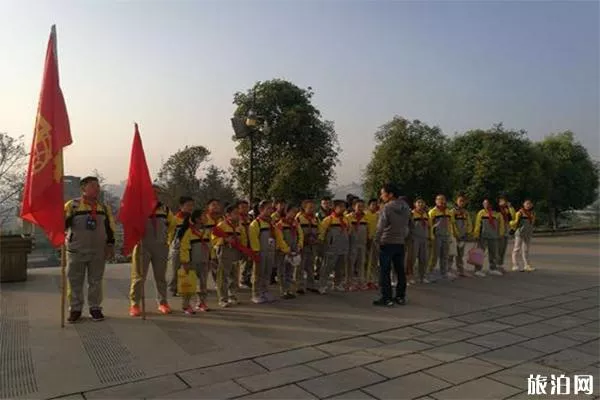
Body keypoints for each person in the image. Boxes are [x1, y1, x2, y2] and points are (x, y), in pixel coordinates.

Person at [64, 176, 116, 322]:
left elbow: (110, 228)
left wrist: (110, 245)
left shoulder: (103, 208)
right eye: (93, 186)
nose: (97, 188)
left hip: (98, 251)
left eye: (98, 186)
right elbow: (62, 225)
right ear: (83, 189)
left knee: (96, 281)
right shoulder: (72, 205)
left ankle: (95, 308)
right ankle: (75, 309)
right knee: (75, 281)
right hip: (76, 250)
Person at [129, 184, 174, 317]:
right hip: (142, 245)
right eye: (153, 192)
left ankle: (163, 302)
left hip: (160, 246)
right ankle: (135, 304)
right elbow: (130, 224)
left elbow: (172, 224)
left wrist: (165, 238)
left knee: (160, 276)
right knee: (139, 277)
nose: (156, 195)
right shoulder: (139, 209)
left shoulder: (165, 209)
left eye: (158, 193)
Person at [373, 183, 411, 307]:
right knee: (400, 270)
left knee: (385, 271)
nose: (381, 196)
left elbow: (381, 226)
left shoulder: (387, 208)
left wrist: (376, 239)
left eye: (383, 193)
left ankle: (386, 298)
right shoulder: (406, 206)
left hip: (387, 242)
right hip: (400, 242)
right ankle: (400, 296)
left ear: (390, 194)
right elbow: (408, 224)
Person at [213, 205, 248, 307]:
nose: (238, 215)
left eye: (238, 213)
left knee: (234, 275)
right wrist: (224, 240)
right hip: (225, 250)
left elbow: (244, 238)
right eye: (235, 213)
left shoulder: (239, 226)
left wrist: (244, 250)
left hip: (236, 251)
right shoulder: (221, 225)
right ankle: (222, 298)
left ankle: (232, 295)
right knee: (223, 275)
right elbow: (213, 239)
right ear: (228, 215)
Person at [179, 209, 210, 312]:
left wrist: (212, 257)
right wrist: (185, 261)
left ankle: (202, 303)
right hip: (192, 262)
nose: (206, 218)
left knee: (203, 283)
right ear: (197, 219)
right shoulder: (189, 232)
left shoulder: (206, 232)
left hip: (204, 261)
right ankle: (186, 305)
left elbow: (210, 246)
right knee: (189, 285)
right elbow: (184, 247)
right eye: (203, 216)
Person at [319, 200, 351, 293]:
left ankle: (337, 284)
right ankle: (322, 285)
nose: (343, 209)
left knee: (340, 267)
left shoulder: (346, 219)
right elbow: (321, 232)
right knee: (327, 266)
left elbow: (349, 230)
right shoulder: (328, 219)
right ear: (335, 208)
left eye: (344, 207)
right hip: (331, 247)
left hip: (343, 247)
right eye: (340, 207)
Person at [249, 200, 277, 304]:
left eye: (271, 208)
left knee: (267, 272)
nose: (270, 210)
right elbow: (253, 238)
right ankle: (256, 293)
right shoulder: (256, 223)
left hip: (270, 251)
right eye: (268, 208)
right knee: (258, 273)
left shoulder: (270, 222)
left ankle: (265, 291)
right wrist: (256, 251)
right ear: (261, 209)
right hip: (260, 252)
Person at [167, 196, 195, 297]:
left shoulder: (193, 219)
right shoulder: (175, 219)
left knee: (188, 269)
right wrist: (170, 246)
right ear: (181, 206)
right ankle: (173, 288)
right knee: (175, 269)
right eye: (188, 205)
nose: (190, 208)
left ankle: (185, 288)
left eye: (192, 205)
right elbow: (170, 233)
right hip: (177, 247)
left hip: (189, 247)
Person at [275, 205, 304, 299]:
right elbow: (279, 238)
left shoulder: (295, 223)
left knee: (290, 270)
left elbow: (300, 234)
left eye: (295, 212)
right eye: (292, 212)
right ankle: (283, 290)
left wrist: (299, 245)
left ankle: (289, 289)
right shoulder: (280, 224)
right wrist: (286, 249)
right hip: (283, 251)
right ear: (286, 212)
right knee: (282, 271)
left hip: (294, 250)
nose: (294, 214)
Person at [473, 198, 505, 277]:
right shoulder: (481, 213)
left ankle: (492, 268)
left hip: (494, 236)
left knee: (493, 253)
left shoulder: (497, 214)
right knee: (479, 253)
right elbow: (477, 224)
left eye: (486, 203)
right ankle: (478, 269)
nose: (485, 205)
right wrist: (476, 234)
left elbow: (501, 225)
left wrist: (501, 234)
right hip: (483, 236)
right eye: (484, 203)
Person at [428, 194, 456, 280]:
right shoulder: (432, 212)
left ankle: (443, 272)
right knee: (434, 255)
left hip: (446, 235)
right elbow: (429, 225)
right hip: (437, 236)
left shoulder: (449, 212)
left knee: (445, 255)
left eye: (443, 199)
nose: (442, 201)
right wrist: (431, 236)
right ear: (436, 201)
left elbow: (452, 223)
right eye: (439, 200)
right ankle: (430, 272)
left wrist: (452, 235)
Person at [295, 200, 319, 294]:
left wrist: (317, 239)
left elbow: (319, 230)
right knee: (300, 266)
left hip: (312, 245)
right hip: (303, 245)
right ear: (304, 208)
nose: (312, 209)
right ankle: (299, 285)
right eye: (310, 207)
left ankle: (310, 285)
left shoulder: (315, 219)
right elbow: (296, 231)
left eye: (313, 207)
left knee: (310, 266)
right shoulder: (299, 218)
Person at [409, 197, 433, 284]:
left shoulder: (426, 214)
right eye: (418, 202)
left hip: (424, 238)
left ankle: (423, 276)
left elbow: (430, 227)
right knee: (412, 259)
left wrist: (430, 237)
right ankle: (410, 277)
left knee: (424, 258)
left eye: (422, 203)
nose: (420, 204)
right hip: (414, 239)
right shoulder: (411, 214)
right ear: (415, 204)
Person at [347, 199, 368, 290]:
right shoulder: (348, 217)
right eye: (358, 206)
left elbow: (369, 230)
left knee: (361, 263)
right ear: (353, 207)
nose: (360, 208)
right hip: (351, 244)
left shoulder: (366, 217)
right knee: (350, 263)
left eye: (362, 206)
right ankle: (349, 282)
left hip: (362, 244)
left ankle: (361, 282)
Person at [449, 193, 472, 277]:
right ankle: (448, 270)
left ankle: (460, 271)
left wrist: (468, 232)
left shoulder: (465, 212)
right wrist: (456, 234)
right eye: (460, 201)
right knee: (451, 254)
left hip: (463, 236)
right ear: (456, 201)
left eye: (463, 201)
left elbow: (469, 223)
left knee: (460, 255)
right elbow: (451, 224)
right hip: (454, 236)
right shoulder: (452, 212)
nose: (462, 203)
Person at [510, 199, 536, 272]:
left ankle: (527, 265)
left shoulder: (532, 213)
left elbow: (532, 223)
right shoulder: (520, 213)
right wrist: (511, 224)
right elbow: (515, 222)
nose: (528, 205)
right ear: (524, 205)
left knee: (526, 250)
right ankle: (515, 265)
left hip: (528, 233)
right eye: (527, 204)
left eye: (529, 204)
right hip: (520, 233)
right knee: (516, 249)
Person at [497, 195, 516, 273]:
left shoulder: (507, 209)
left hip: (506, 229)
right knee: (498, 248)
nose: (503, 202)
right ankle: (496, 265)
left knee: (503, 248)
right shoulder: (497, 209)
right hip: (499, 231)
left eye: (504, 201)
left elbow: (512, 217)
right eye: (502, 201)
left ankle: (500, 265)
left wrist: (510, 207)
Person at [364, 198, 380, 289]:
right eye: (373, 204)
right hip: (367, 240)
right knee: (366, 261)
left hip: (377, 240)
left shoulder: (379, 215)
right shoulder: (365, 215)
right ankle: (366, 280)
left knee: (374, 261)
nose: (375, 206)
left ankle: (373, 280)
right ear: (369, 205)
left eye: (376, 204)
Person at [237, 200, 252, 288]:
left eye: (246, 207)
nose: (245, 209)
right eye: (242, 207)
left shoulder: (250, 217)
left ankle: (246, 279)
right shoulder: (236, 218)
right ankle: (240, 280)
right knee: (241, 262)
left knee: (249, 262)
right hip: (241, 242)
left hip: (250, 242)